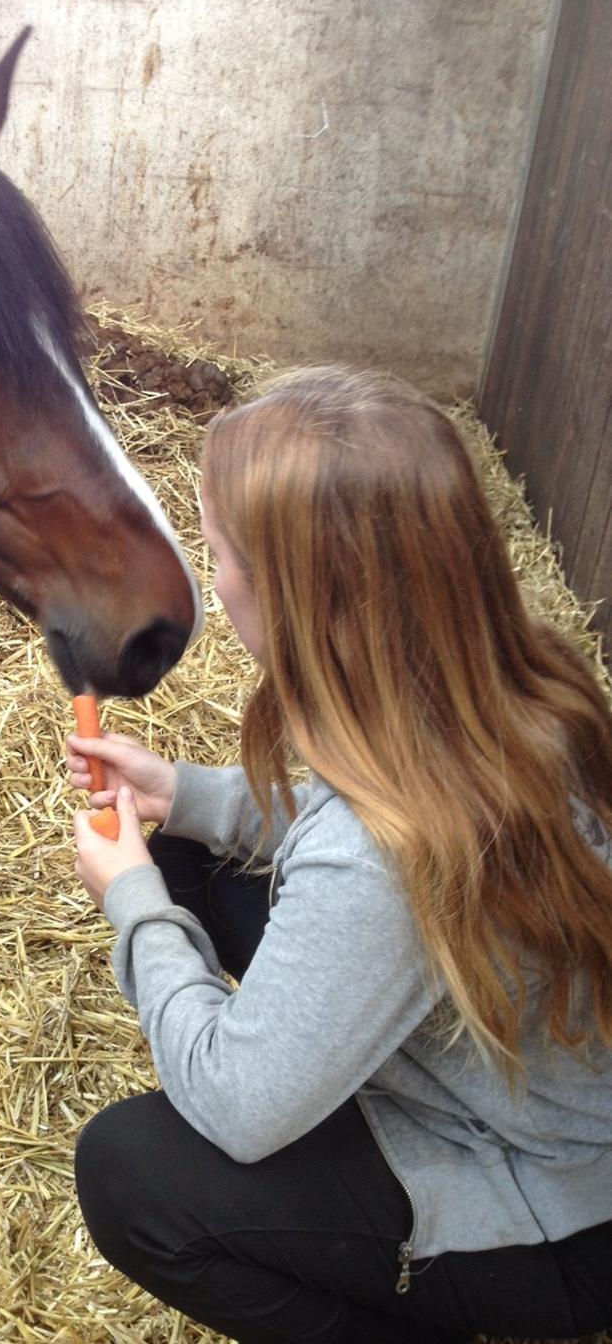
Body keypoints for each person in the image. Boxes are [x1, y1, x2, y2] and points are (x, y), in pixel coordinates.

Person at [65, 367, 612, 1344]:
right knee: (194, 851)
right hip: (520, 1090)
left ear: (301, 599)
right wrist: (183, 797)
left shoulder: (375, 863)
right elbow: (362, 811)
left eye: (221, 551)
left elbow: (239, 1109)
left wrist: (135, 901)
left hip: (551, 1215)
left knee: (132, 1173)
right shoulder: (510, 678)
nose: (211, 572)